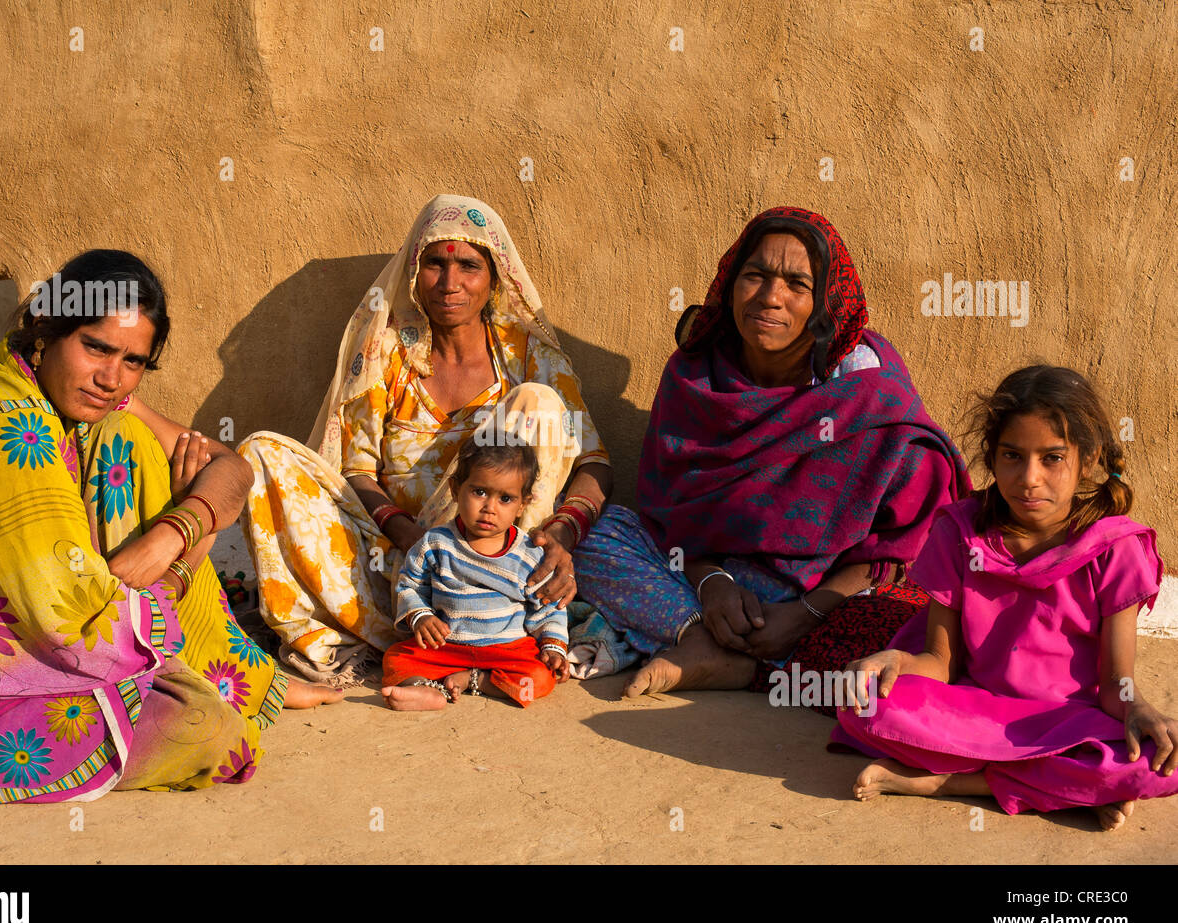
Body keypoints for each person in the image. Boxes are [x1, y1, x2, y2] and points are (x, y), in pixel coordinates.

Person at [0, 250, 331, 803]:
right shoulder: (11, 432)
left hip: (78, 625)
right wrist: (182, 567)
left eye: (134, 361)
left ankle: (201, 662)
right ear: (46, 331)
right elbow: (70, 630)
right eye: (95, 347)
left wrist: (176, 531)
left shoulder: (70, 393)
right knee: (206, 730)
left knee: (129, 442)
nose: (111, 378)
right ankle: (158, 663)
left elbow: (231, 467)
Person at [572, 207, 969, 704]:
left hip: (825, 591)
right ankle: (700, 639)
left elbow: (903, 543)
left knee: (881, 659)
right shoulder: (695, 377)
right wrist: (711, 582)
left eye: (796, 285)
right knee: (598, 537)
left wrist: (805, 614)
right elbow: (668, 514)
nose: (770, 298)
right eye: (754, 276)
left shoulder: (867, 393)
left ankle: (743, 658)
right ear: (729, 284)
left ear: (824, 303)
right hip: (704, 582)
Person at [240, 195, 612, 682]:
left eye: (469, 266)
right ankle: (407, 623)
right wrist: (412, 539)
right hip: (397, 560)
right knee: (261, 451)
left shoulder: (525, 355)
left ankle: (474, 617)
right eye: (435, 264)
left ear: (494, 277)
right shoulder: (390, 353)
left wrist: (560, 535)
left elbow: (594, 462)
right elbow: (356, 470)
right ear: (415, 272)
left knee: (538, 404)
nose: (450, 283)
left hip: (491, 564)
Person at [833, 366, 1177, 831]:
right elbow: (941, 660)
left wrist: (1138, 707)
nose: (1029, 478)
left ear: (1089, 457)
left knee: (1161, 757)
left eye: (1052, 458)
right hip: (973, 708)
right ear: (992, 457)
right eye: (1012, 455)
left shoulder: (1116, 548)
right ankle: (1067, 789)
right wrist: (897, 660)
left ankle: (947, 783)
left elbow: (1117, 683)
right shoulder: (958, 531)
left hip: (1068, 722)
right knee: (866, 704)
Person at [381, 439, 569, 710]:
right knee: (396, 659)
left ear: (522, 504)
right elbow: (409, 586)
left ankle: (477, 681)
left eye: (505, 498)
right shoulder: (435, 543)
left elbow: (548, 607)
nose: (490, 508)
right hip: (446, 648)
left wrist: (553, 646)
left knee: (538, 679)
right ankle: (428, 691)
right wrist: (421, 616)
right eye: (479, 492)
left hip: (506, 650)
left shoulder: (528, 555)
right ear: (456, 490)